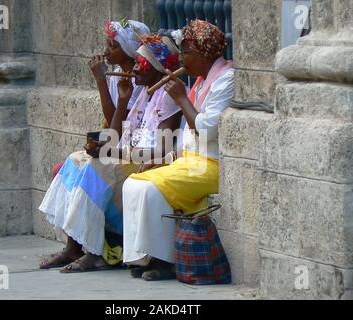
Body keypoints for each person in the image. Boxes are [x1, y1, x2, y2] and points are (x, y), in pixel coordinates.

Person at [38, 34, 182, 273]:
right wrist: (123, 101)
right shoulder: (143, 92)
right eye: (135, 62)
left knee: (98, 168)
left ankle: (95, 253)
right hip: (127, 155)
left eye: (140, 63)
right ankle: (73, 247)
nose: (134, 68)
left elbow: (162, 150)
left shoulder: (167, 95)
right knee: (75, 161)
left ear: (156, 66)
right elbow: (114, 136)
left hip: (148, 163)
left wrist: (117, 151)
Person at [122, 20, 235, 281]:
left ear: (203, 54)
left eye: (186, 53)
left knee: (149, 189)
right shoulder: (200, 80)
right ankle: (145, 255)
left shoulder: (226, 79)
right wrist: (168, 159)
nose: (182, 58)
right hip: (190, 161)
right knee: (133, 183)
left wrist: (182, 99)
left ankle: (166, 260)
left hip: (211, 164)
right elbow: (187, 138)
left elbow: (206, 130)